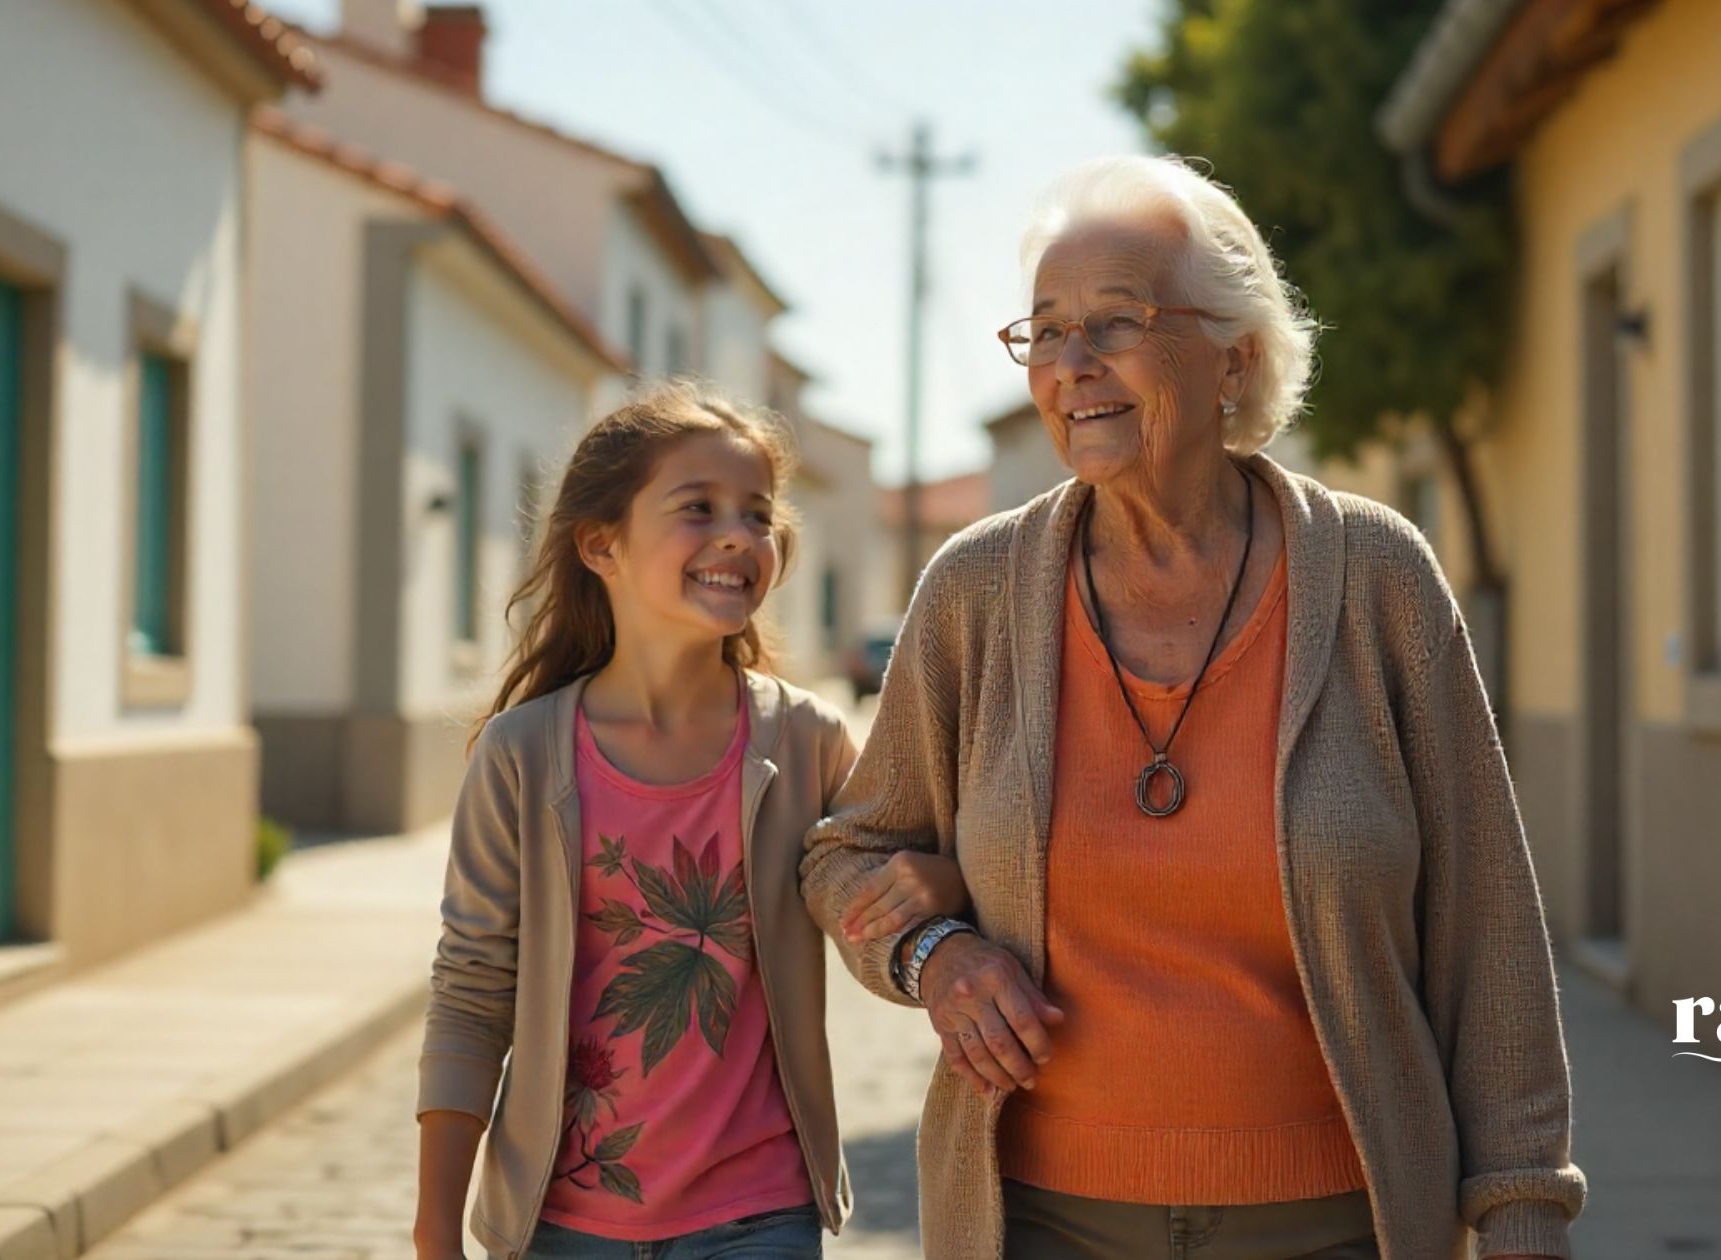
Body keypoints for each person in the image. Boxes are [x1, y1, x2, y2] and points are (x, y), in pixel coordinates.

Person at [800, 156, 1587, 1260]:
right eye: (1044, 332)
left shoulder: (1374, 579)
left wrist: (1519, 1219)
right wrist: (934, 953)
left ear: (1236, 357)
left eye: (1112, 325)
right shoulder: (974, 591)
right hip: (1039, 1222)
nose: (1069, 367)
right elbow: (844, 857)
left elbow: (1485, 928)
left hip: (1338, 1222)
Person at [411, 380, 968, 1260]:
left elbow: (904, 861)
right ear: (602, 544)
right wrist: (436, 1223)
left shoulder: (806, 737)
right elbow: (473, 991)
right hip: (562, 1226)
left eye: (757, 514)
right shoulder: (521, 757)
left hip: (760, 1213)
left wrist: (941, 875)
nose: (740, 538)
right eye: (698, 509)